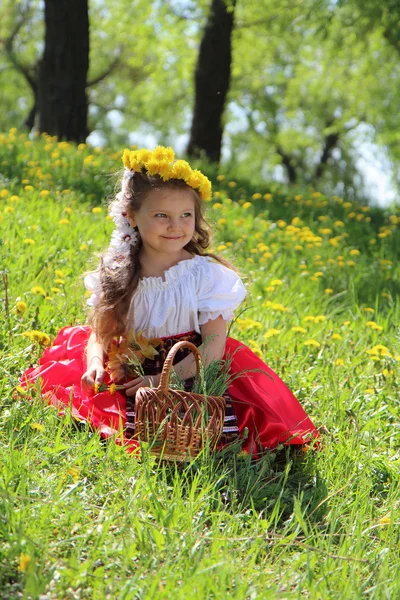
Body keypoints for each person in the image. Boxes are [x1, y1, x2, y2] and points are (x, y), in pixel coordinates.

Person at [22, 146, 318, 456]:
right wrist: (95, 362)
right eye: (162, 215)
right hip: (128, 366)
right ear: (132, 216)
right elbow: (102, 330)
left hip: (189, 366)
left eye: (185, 215)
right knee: (89, 403)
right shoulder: (117, 269)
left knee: (208, 431)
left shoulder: (205, 276)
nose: (175, 226)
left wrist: (161, 380)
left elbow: (214, 348)